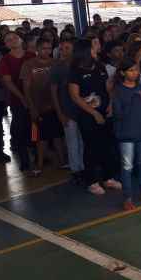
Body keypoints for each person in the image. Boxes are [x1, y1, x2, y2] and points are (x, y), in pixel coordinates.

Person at [69, 39, 121, 196]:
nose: (95, 51)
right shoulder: (75, 72)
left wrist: (111, 103)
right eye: (92, 48)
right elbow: (75, 97)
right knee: (91, 147)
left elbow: (108, 88)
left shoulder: (100, 67)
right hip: (88, 116)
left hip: (105, 112)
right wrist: (94, 113)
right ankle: (91, 181)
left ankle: (108, 177)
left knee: (107, 145)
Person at [112, 59, 141, 211]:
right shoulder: (119, 91)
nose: (135, 73)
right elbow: (118, 114)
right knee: (127, 166)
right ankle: (127, 197)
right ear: (122, 73)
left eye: (136, 70)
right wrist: (133, 100)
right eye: (131, 70)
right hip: (126, 135)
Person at [20, 38, 64, 173]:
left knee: (58, 135)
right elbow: (26, 88)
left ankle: (62, 161)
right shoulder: (28, 64)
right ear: (37, 49)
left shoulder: (56, 63)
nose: (47, 51)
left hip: (55, 106)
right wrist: (31, 106)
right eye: (44, 48)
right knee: (39, 137)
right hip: (37, 107)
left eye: (49, 48)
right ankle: (39, 164)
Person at [0, 32, 35, 173]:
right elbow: (8, 82)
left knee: (34, 126)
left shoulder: (31, 56)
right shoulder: (5, 60)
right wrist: (22, 97)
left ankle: (37, 154)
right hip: (17, 100)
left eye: (14, 38)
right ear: (6, 44)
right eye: (8, 40)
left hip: (35, 98)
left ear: (21, 40)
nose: (12, 40)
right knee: (20, 129)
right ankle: (24, 159)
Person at [51, 38, 81, 180]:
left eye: (67, 48)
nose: (64, 51)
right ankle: (76, 169)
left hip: (81, 108)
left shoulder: (79, 66)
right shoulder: (58, 67)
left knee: (82, 140)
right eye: (62, 49)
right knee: (72, 141)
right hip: (67, 110)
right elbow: (54, 92)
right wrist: (60, 113)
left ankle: (84, 166)